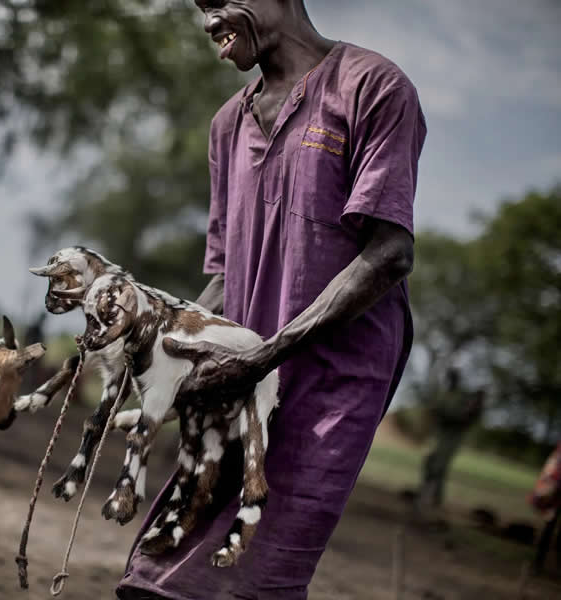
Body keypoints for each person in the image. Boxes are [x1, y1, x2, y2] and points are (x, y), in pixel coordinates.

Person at [116, 2, 427, 599]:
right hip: (245, 378)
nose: (209, 22)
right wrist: (163, 354)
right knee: (161, 571)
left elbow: (390, 253)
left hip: (332, 384)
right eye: (200, 9)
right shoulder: (227, 124)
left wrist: (265, 356)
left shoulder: (372, 87)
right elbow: (226, 277)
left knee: (255, 572)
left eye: (219, 2)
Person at [417, 372, 485, 511]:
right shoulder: (449, 394)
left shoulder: (462, 396)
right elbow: (441, 410)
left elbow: (462, 415)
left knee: (438, 466)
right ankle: (434, 497)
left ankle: (429, 496)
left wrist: (474, 405)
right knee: (432, 462)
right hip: (442, 434)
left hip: (453, 437)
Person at [529, 441, 561, 574]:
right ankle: (538, 563)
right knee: (549, 527)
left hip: (556, 490)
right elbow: (554, 464)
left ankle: (554, 563)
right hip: (556, 492)